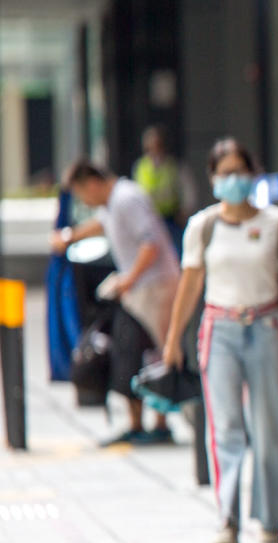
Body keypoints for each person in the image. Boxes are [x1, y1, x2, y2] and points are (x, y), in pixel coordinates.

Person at [161, 137, 278, 543]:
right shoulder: (203, 226)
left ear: (253, 174)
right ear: (213, 179)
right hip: (220, 330)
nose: (233, 180)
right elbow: (190, 283)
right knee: (224, 426)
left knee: (267, 426)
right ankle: (227, 518)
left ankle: (270, 517)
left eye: (240, 172)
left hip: (265, 328)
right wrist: (173, 339)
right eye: (225, 173)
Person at [52, 159, 180, 446]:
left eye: (82, 194)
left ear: (93, 184)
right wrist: (71, 236)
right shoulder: (112, 204)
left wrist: (129, 278)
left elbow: (150, 243)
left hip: (154, 288)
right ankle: (137, 423)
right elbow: (102, 224)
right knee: (130, 353)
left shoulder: (126, 198)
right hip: (138, 290)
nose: (84, 200)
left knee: (154, 355)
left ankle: (160, 423)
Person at [133, 125, 196, 251]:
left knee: (176, 252)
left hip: (171, 218)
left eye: (157, 145)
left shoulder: (174, 166)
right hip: (149, 219)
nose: (153, 149)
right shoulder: (141, 166)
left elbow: (188, 190)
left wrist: (184, 212)